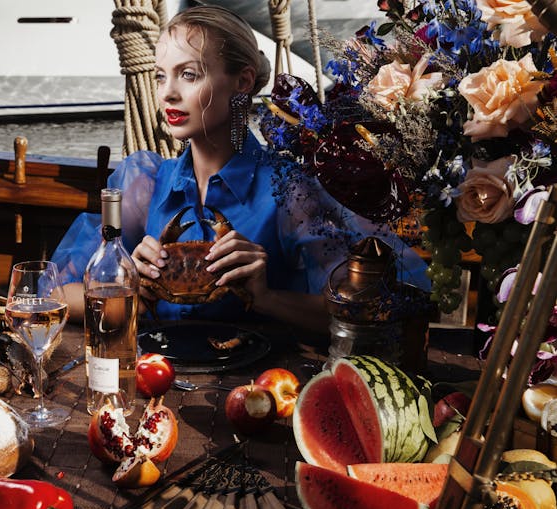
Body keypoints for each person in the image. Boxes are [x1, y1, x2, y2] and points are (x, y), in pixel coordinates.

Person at [51, 5, 429, 332]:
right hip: (153, 382)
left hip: (260, 391)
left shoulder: (289, 190)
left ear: (242, 82)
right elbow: (55, 295)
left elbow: (374, 310)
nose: (167, 92)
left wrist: (266, 298)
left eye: (189, 74)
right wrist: (124, 284)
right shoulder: (144, 182)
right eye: (160, 75)